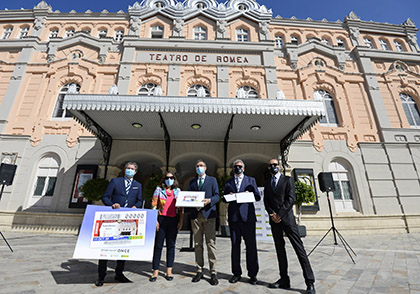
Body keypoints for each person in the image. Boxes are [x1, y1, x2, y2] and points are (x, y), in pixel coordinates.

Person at [263, 158, 315, 294]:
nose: (273, 167)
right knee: (280, 251)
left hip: (287, 220)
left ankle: (310, 282)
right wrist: (272, 214)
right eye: (270, 165)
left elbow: (291, 199)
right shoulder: (268, 183)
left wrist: (279, 214)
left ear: (279, 166)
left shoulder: (287, 180)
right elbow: (266, 201)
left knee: (299, 250)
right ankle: (284, 279)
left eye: (275, 164)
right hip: (274, 221)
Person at [95, 162, 143, 287]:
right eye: (128, 168)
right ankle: (101, 275)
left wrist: (135, 207)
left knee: (123, 247)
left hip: (127, 220)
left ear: (135, 172)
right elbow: (105, 197)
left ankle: (119, 273)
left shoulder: (138, 185)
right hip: (113, 218)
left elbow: (139, 201)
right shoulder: (115, 182)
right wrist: (112, 204)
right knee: (106, 247)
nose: (129, 170)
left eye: (132, 169)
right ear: (124, 170)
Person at [223, 159, 261, 285]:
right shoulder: (228, 182)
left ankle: (253, 274)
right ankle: (236, 273)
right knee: (235, 246)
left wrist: (248, 194)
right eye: (235, 167)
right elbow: (224, 198)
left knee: (251, 247)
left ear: (244, 169)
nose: (237, 168)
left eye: (240, 167)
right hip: (234, 218)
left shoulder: (251, 180)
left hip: (248, 218)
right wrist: (229, 195)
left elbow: (257, 197)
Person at [188, 159, 220, 285]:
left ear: (205, 168)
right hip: (196, 216)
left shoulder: (212, 180)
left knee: (211, 244)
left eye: (201, 166)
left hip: (209, 215)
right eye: (197, 166)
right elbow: (189, 197)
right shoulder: (192, 182)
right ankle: (199, 270)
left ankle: (213, 272)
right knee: (197, 244)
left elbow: (217, 196)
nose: (199, 168)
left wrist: (209, 200)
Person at [149, 171, 184, 282]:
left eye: (171, 178)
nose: (169, 180)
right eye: (167, 178)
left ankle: (169, 270)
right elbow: (154, 205)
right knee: (158, 245)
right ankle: (155, 271)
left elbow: (181, 208)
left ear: (174, 179)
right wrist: (155, 221)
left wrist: (181, 221)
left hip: (174, 219)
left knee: (171, 245)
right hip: (161, 219)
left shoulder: (178, 191)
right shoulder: (159, 190)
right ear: (164, 179)